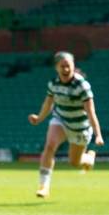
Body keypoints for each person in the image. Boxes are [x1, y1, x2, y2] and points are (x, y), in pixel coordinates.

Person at [28, 51, 104, 198]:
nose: (66, 69)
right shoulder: (53, 84)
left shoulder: (82, 85)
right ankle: (44, 187)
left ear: (73, 66)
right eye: (62, 66)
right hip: (61, 120)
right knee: (49, 146)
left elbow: (90, 111)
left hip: (79, 127)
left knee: (74, 162)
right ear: (56, 67)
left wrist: (98, 134)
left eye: (68, 66)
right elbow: (48, 103)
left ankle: (89, 158)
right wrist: (39, 118)